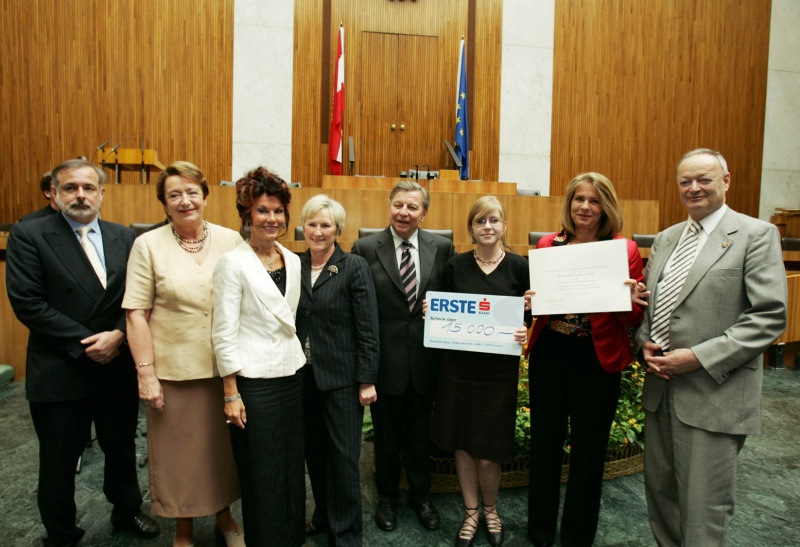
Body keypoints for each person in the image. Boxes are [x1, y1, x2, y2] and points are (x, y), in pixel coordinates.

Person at [635, 148, 787, 546]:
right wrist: (643, 342)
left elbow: (768, 317)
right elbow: (654, 306)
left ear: (726, 181)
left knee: (704, 508)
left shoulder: (755, 235)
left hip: (713, 393)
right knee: (662, 498)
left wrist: (698, 357)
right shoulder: (667, 238)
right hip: (661, 390)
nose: (694, 188)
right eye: (685, 181)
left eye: (704, 179)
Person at [5, 159, 160, 546]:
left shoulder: (124, 237)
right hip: (61, 367)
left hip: (115, 365)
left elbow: (141, 299)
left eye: (88, 188)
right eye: (70, 188)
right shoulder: (30, 234)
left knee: (121, 450)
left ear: (102, 193)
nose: (80, 195)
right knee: (58, 460)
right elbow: (28, 302)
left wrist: (119, 336)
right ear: (54, 194)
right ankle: (61, 534)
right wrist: (88, 342)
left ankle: (126, 513)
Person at [122, 161, 243, 547]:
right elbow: (136, 314)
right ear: (164, 204)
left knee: (222, 453)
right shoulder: (147, 245)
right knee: (178, 456)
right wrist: (146, 373)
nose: (185, 200)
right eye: (174, 194)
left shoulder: (231, 240)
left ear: (206, 197)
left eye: (192, 192)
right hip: (173, 372)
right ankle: (183, 525)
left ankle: (225, 516)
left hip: (225, 369)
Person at [524, 172, 647, 547]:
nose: (585, 207)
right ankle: (540, 532)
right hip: (551, 354)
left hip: (597, 360)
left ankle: (578, 536)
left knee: (589, 450)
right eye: (579, 199)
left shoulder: (623, 250)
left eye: (594, 201)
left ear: (605, 206)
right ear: (569, 203)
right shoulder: (548, 244)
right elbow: (537, 311)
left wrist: (631, 300)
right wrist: (529, 303)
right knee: (544, 445)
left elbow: (633, 320)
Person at [351, 180, 456, 533]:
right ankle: (387, 499)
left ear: (424, 213)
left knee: (419, 437)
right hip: (384, 363)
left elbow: (454, 298)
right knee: (386, 437)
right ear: (389, 206)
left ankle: (421, 497)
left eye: (412, 207)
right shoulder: (365, 248)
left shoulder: (442, 248)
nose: (404, 212)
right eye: (398, 204)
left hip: (427, 362)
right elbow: (358, 308)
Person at [212, 166, 307, 547]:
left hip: (291, 374)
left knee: (289, 465)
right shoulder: (232, 263)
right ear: (247, 215)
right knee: (261, 471)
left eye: (278, 211)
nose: (272, 219)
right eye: (263, 211)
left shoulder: (293, 259)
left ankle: (290, 537)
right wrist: (230, 392)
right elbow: (223, 331)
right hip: (253, 384)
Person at [428, 196, 530, 547]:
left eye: (494, 220)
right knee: (462, 444)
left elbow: (532, 316)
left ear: (504, 226)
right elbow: (439, 314)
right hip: (458, 371)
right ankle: (471, 512)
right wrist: (432, 310)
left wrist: (525, 329)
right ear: (470, 228)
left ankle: (491, 508)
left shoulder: (520, 266)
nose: (487, 227)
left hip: (498, 374)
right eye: (480, 221)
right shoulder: (455, 266)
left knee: (488, 450)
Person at [296, 194, 380, 546]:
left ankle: (346, 535)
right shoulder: (292, 263)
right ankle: (324, 515)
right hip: (302, 379)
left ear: (337, 230)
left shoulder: (353, 266)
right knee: (314, 454)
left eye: (325, 225)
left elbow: (367, 326)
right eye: (312, 224)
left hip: (343, 380)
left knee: (344, 459)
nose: (318, 231)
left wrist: (367, 379)